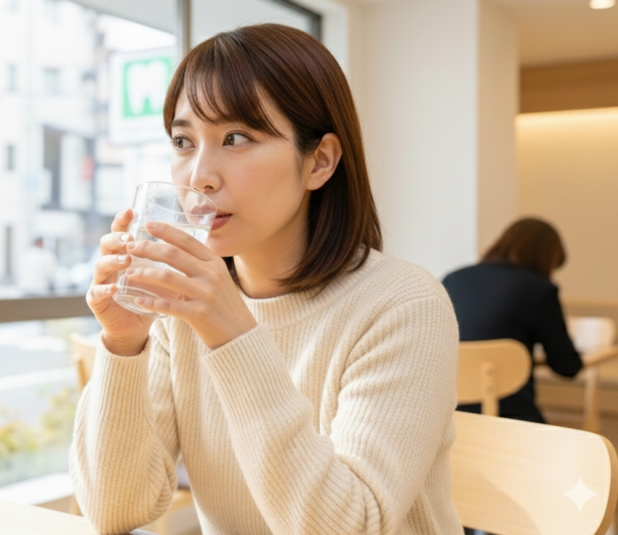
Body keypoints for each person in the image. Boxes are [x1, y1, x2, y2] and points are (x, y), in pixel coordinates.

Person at [71, 24, 462, 535]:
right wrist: (123, 345)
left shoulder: (404, 305)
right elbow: (115, 510)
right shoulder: (182, 309)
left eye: (236, 138)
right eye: (184, 142)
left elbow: (350, 527)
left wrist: (232, 334)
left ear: (319, 162)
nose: (199, 176)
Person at [443, 217, 582, 423]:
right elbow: (567, 367)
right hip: (510, 418)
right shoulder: (540, 289)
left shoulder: (453, 279)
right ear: (546, 259)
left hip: (451, 414)